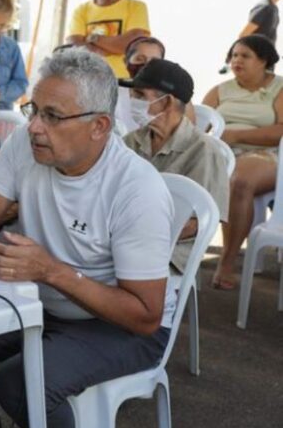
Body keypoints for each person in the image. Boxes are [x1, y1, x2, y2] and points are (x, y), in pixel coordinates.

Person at [0, 48, 174, 428]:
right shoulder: (26, 144)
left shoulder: (136, 188)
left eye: (53, 116)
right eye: (34, 110)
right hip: (42, 303)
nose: (35, 127)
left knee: (21, 382)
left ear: (100, 126)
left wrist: (51, 271)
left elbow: (145, 315)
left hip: (121, 325)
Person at [123, 59, 229, 274]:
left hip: (168, 252)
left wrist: (134, 236)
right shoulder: (131, 141)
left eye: (141, 95)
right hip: (121, 240)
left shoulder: (203, 150)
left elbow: (198, 223)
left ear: (167, 102)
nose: (132, 100)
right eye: (134, 94)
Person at [203, 35, 283, 289]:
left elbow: (280, 130)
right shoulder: (219, 91)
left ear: (264, 61)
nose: (237, 60)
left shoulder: (279, 89)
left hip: (266, 154)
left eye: (245, 55)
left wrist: (235, 134)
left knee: (238, 180)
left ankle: (226, 262)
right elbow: (198, 126)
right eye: (234, 55)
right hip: (222, 154)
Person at [66, 0, 150, 78]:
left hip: (123, 84)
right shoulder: (81, 10)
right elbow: (74, 45)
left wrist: (93, 39)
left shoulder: (136, 7)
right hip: (88, 82)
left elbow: (132, 45)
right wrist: (113, 46)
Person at [115, 37, 195, 132]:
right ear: (126, 61)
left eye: (154, 61)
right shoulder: (112, 90)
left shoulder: (179, 97)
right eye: (140, 59)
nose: (146, 64)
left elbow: (187, 135)